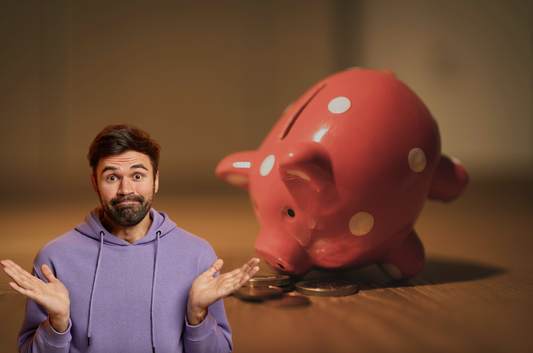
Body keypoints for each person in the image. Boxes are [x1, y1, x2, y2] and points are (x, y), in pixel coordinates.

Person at [1, 124, 260, 353]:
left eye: (138, 175)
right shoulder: (53, 258)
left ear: (156, 181)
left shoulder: (198, 255)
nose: (126, 190)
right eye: (112, 177)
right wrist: (56, 323)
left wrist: (198, 316)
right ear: (95, 184)